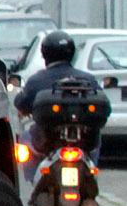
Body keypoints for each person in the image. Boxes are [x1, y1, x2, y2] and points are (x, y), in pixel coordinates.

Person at [13, 29, 109, 176]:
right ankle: (91, 170)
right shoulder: (88, 79)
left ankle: (32, 177)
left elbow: (20, 103)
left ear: (45, 54)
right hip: (84, 142)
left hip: (46, 142)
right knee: (97, 137)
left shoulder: (37, 80)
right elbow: (105, 108)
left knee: (25, 137)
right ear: (72, 53)